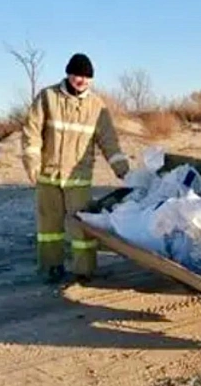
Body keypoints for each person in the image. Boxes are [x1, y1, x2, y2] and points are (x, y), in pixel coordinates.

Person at [21, 53, 131, 284]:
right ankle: (51, 267)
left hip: (78, 177)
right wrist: (32, 162)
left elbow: (108, 140)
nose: (81, 80)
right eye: (77, 74)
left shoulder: (96, 106)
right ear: (68, 74)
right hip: (48, 174)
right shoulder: (48, 97)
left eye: (85, 76)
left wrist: (121, 167)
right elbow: (32, 131)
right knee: (49, 226)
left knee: (82, 225)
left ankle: (84, 269)